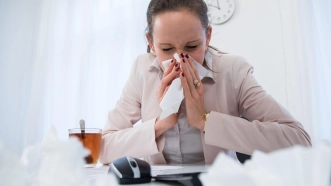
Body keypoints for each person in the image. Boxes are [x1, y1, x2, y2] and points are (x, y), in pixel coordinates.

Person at [100, 0, 311, 165]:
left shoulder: (232, 71)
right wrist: (161, 123)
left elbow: (299, 141)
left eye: (192, 46)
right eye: (166, 49)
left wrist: (205, 120)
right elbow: (103, 148)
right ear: (150, 43)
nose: (179, 59)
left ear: (208, 36)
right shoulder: (141, 70)